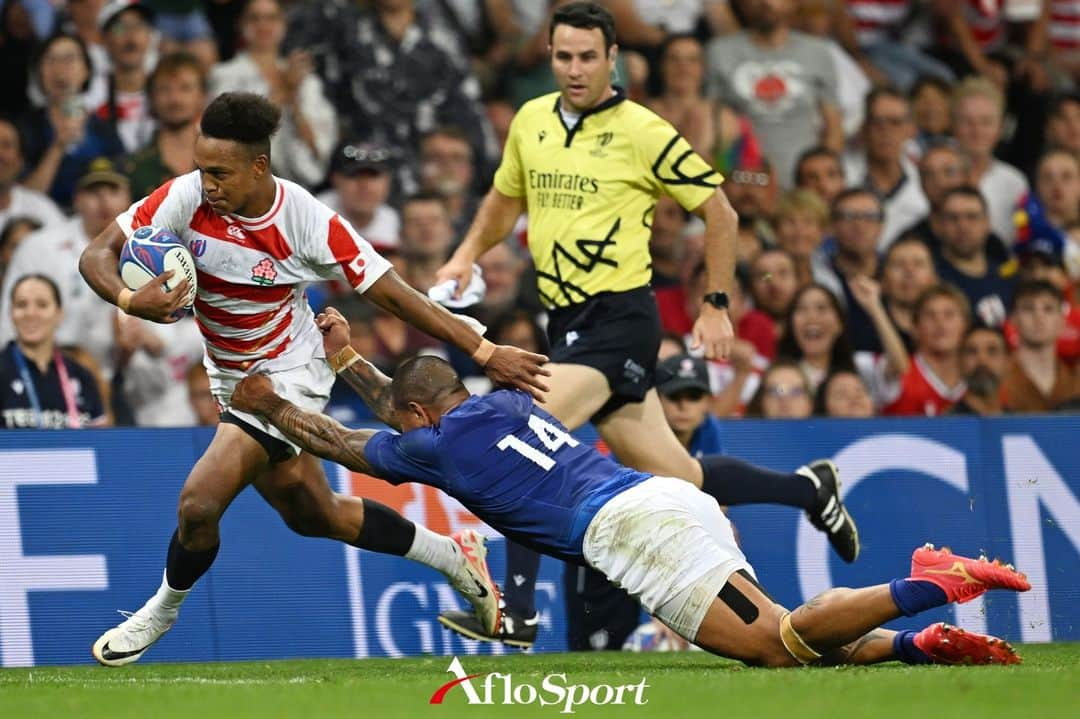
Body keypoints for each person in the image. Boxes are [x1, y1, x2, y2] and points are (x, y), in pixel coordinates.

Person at [229, 312, 1030, 667]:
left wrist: (273, 404)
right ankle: (921, 644)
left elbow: (343, 441)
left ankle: (932, 579)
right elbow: (401, 401)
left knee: (779, 647)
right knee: (793, 638)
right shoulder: (499, 402)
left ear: (417, 418)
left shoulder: (435, 448)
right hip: (666, 497)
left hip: (635, 536)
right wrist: (344, 361)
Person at [435, 1, 860, 647]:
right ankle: (808, 488)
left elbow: (721, 212)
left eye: (586, 57)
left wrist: (714, 302)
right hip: (568, 323)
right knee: (679, 474)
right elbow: (505, 197)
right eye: (562, 56)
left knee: (525, 441)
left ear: (613, 59)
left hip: (620, 321)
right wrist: (466, 254)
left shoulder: (642, 129)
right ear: (549, 55)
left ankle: (515, 612)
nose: (574, 70)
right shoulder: (530, 121)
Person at [78, 91, 549, 666]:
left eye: (220, 172)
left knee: (200, 504)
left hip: (287, 372)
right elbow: (97, 254)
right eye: (202, 169)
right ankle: (454, 557)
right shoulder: (187, 195)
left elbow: (398, 296)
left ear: (259, 165)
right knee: (313, 514)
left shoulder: (308, 221)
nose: (208, 184)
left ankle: (163, 607)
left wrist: (483, 347)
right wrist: (130, 297)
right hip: (228, 372)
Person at [208, 0, 337, 188]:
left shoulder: (306, 80)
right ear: (240, 24)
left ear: (284, 24)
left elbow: (318, 151)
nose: (263, 25)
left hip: (298, 191)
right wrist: (285, 88)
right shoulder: (224, 76)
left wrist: (293, 98)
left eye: (271, 18)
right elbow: (235, 137)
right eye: (254, 18)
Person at [0, 273, 107, 429]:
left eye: (42, 305)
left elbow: (101, 443)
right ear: (11, 313)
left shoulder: (82, 376)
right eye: (21, 305)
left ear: (59, 314)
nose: (30, 313)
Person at [1001, 280, 1080, 412]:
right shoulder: (998, 379)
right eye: (1028, 308)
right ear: (1013, 319)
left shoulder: (1076, 381)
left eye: (1048, 309)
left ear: (1061, 321)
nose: (1039, 316)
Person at [951, 326, 1009, 416]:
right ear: (960, 361)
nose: (982, 360)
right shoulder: (946, 426)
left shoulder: (1020, 425)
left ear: (1007, 362)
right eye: (972, 351)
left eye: (992, 351)